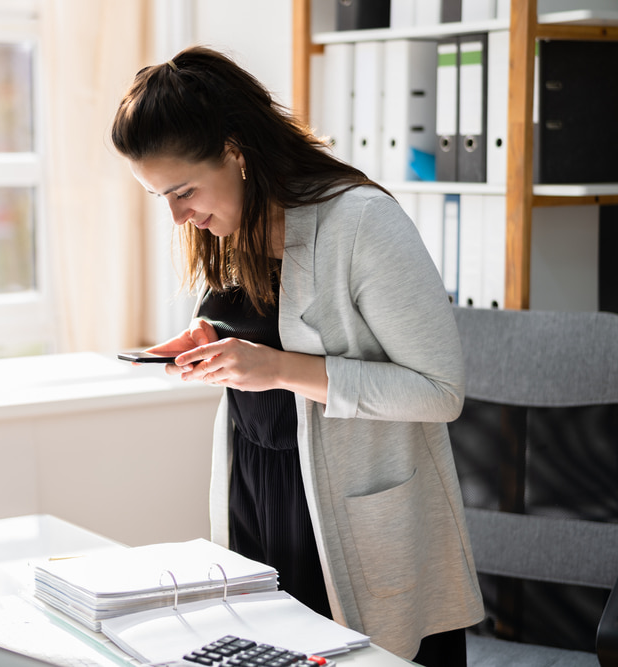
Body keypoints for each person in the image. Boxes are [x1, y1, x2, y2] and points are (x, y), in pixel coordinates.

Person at [109, 46, 484, 667]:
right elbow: (268, 327)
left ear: (235, 151)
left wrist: (277, 370)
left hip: (351, 522)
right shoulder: (233, 224)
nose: (178, 216)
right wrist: (209, 340)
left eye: (182, 191)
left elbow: (439, 391)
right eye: (160, 199)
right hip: (260, 502)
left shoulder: (361, 222)